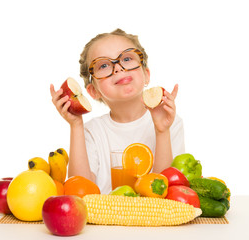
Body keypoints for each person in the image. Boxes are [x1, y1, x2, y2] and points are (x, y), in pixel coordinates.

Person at [50, 29, 185, 194]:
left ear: (146, 75)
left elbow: (165, 190)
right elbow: (78, 192)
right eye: (104, 65)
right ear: (94, 91)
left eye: (127, 58)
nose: (119, 68)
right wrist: (76, 125)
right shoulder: (92, 132)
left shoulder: (170, 122)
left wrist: (162, 131)